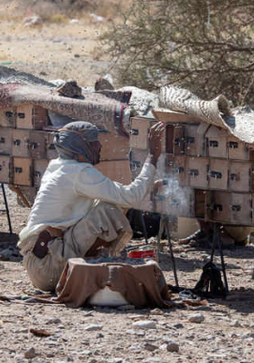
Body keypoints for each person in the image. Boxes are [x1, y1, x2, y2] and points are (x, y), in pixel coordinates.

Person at [18, 120, 165, 292]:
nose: (99, 147)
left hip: (38, 265)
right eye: (95, 142)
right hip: (50, 266)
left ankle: (91, 262)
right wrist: (153, 156)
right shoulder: (79, 173)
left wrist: (148, 187)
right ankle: (93, 264)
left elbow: (124, 199)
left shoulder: (58, 167)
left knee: (107, 206)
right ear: (82, 146)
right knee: (107, 210)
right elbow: (130, 197)